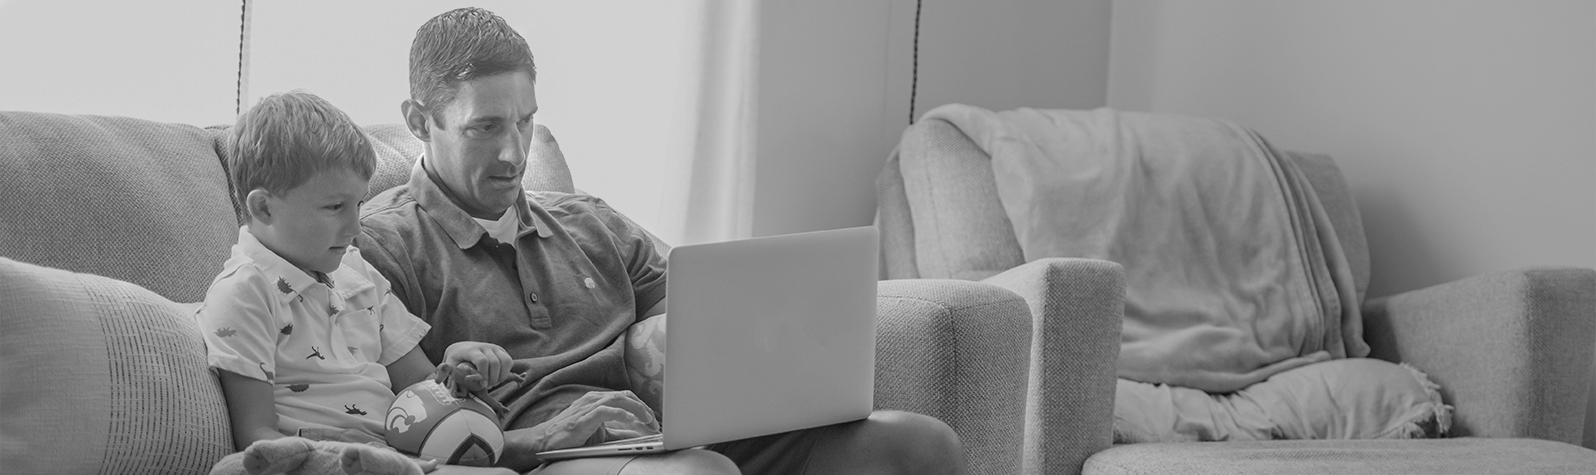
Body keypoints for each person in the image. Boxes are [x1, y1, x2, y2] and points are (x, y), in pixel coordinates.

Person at [355, 7, 969, 475]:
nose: (514, 152)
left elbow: (706, 318)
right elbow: (395, 427)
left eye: (525, 121)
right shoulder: (380, 249)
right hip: (552, 453)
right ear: (419, 121)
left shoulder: (589, 221)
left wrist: (781, 356)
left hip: (661, 435)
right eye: (485, 127)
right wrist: (539, 439)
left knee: (918, 444)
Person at [199, 90, 519, 475]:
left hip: (395, 453)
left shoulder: (358, 274)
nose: (355, 227)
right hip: (317, 455)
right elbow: (256, 436)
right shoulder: (244, 291)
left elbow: (419, 385)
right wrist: (335, 454)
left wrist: (453, 371)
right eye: (335, 207)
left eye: (359, 205)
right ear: (264, 207)